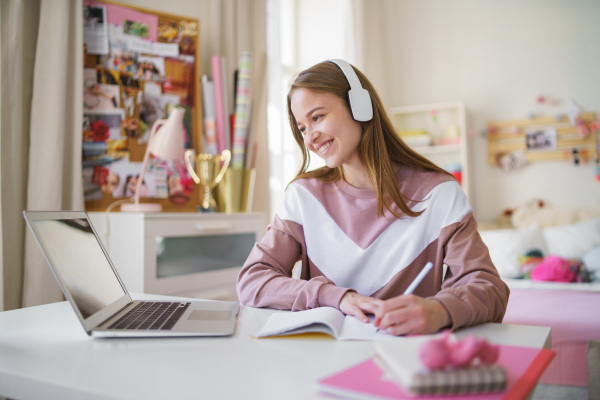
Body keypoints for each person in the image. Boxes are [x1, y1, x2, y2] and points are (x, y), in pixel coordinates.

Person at [236, 60, 509, 336]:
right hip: (321, 360)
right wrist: (336, 297)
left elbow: (489, 288)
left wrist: (439, 310)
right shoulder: (303, 196)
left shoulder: (439, 194)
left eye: (317, 117)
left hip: (405, 359)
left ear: (360, 106)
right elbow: (252, 280)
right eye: (302, 128)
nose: (309, 140)